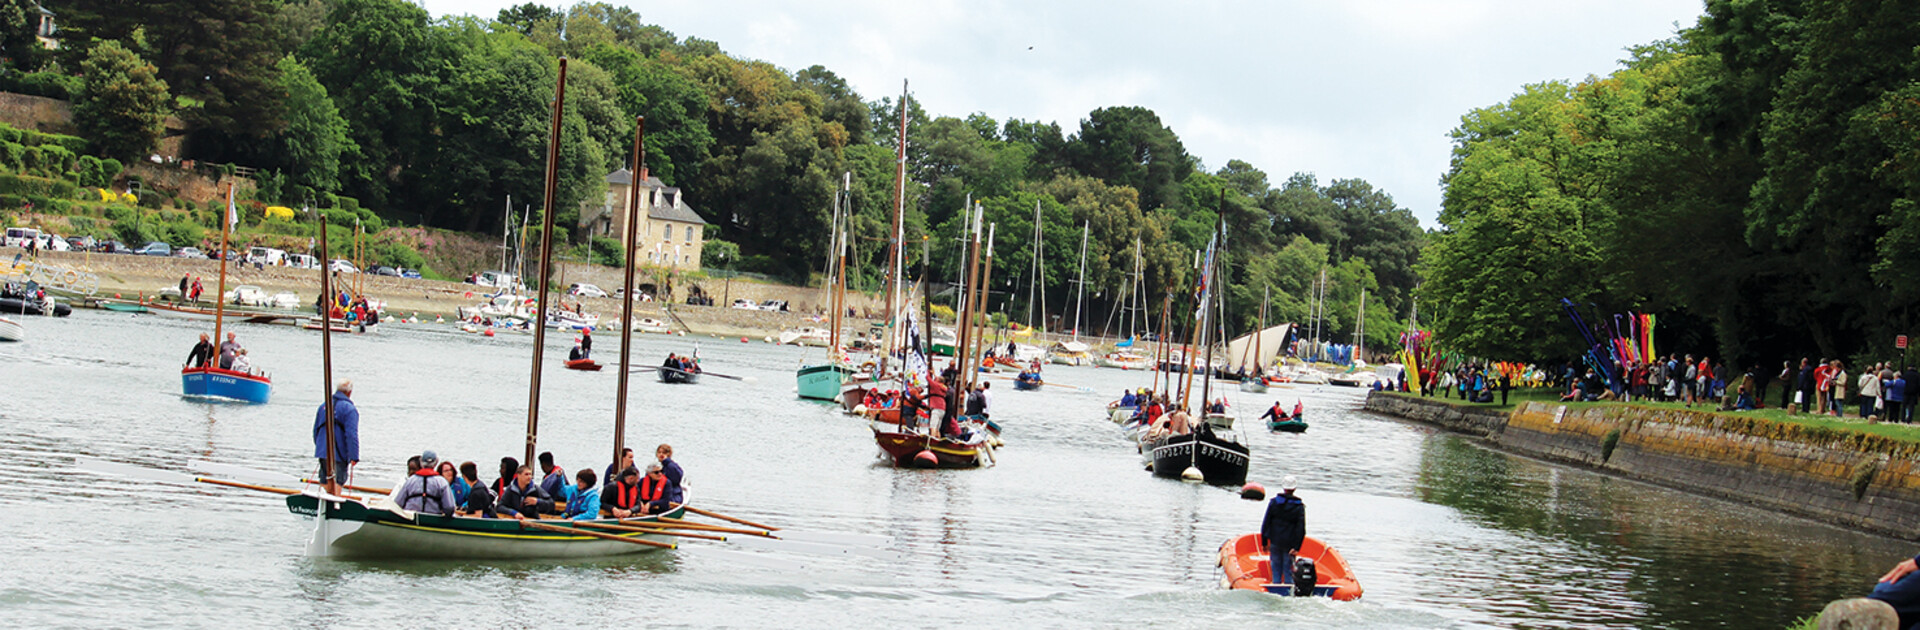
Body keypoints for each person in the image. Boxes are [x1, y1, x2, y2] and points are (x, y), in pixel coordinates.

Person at [312, 380, 360, 496]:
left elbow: (315, 431)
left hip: (323, 452)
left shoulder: (323, 406)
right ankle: (332, 508)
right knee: (338, 481)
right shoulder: (349, 409)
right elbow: (351, 434)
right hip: (339, 454)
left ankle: (322, 505)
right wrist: (354, 456)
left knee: (324, 480)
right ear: (349, 392)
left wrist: (320, 447)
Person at [1261, 476, 1306, 587]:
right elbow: (1301, 528)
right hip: (1290, 544)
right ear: (1294, 488)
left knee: (1275, 568)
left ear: (1283, 487)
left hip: (1275, 541)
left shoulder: (1274, 503)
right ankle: (1288, 591)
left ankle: (1276, 587)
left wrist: (1264, 542)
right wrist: (1297, 547)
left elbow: (1266, 523)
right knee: (1288, 571)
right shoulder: (1299, 507)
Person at [396, 451, 459, 516]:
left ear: (421, 462)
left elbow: (398, 503)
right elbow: (449, 508)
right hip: (433, 519)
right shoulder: (442, 482)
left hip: (410, 518)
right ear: (436, 462)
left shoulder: (410, 481)